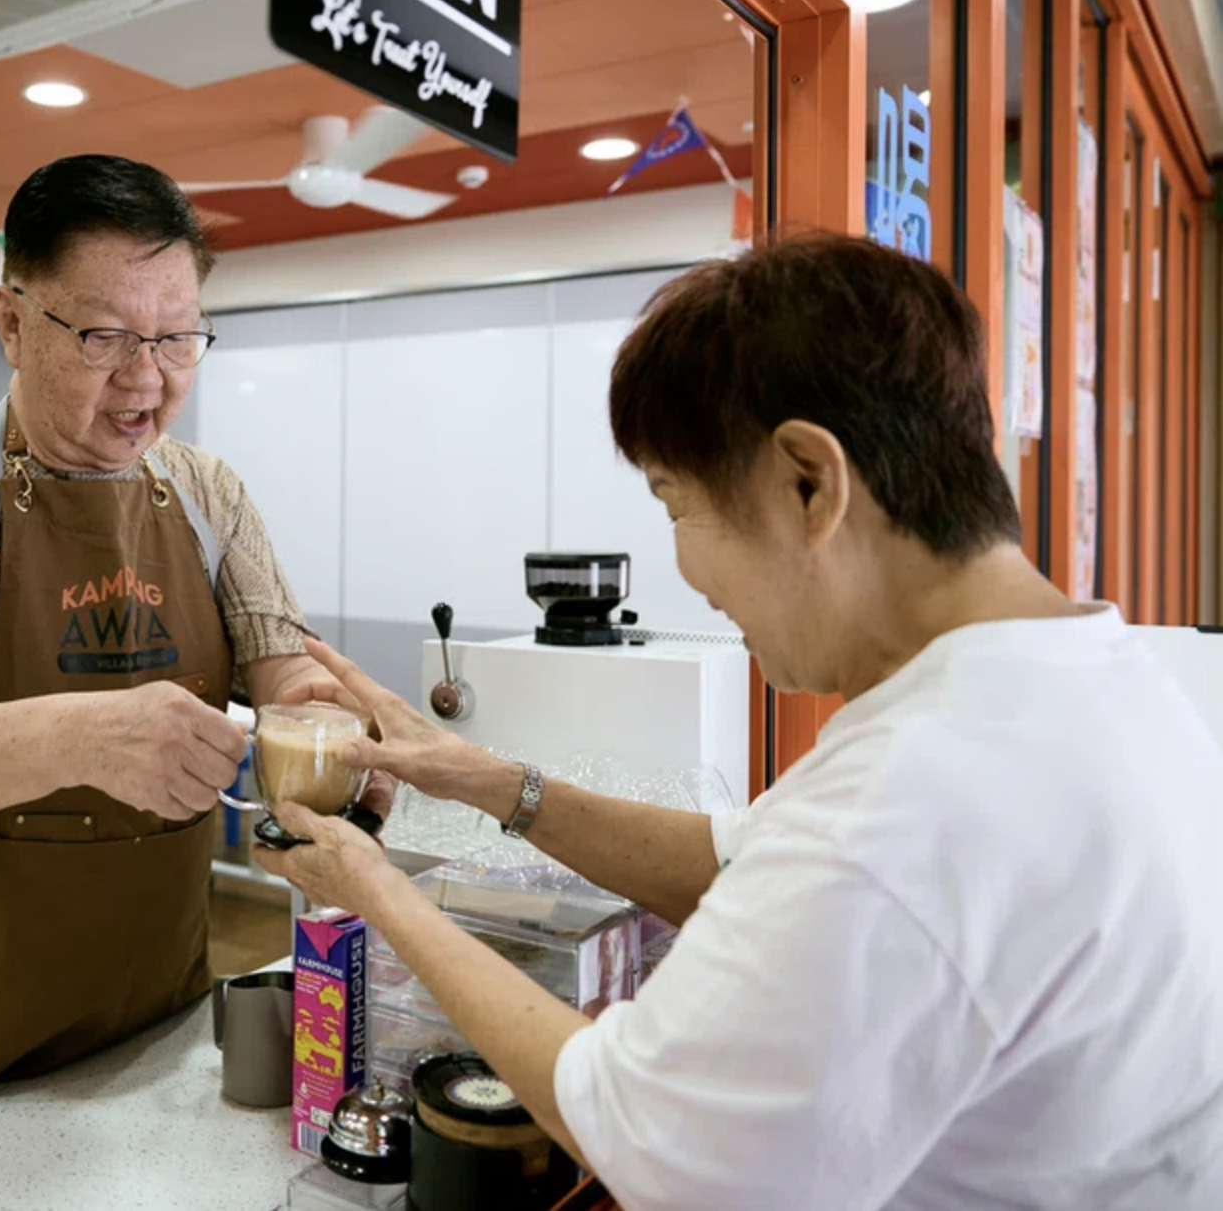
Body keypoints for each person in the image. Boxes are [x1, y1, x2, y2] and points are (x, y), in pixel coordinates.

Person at [256, 233, 1223, 1210]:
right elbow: (732, 862)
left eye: (675, 506)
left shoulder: (912, 796)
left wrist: (374, 889)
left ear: (809, 479)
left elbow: (636, 1127)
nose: (691, 574)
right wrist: (489, 780)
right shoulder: (1105, 682)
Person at [0, 154, 377, 1161]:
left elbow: (281, 662)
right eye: (103, 334)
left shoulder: (207, 496)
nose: (147, 378)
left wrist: (327, 719)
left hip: (153, 1029)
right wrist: (83, 734)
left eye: (177, 336)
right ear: (13, 322)